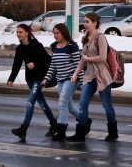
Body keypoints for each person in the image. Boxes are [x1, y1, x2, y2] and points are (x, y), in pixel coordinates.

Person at [69, 12, 119, 142]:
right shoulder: (85, 38)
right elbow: (82, 60)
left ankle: (113, 132)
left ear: (95, 23)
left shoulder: (100, 37)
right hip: (89, 76)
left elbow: (102, 57)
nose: (84, 24)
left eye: (87, 22)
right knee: (82, 104)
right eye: (84, 22)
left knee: (107, 106)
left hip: (102, 76)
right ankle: (81, 133)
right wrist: (75, 74)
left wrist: (88, 58)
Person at [7, 23, 57, 142]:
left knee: (30, 102)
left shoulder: (37, 46)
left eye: (20, 32)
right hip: (30, 80)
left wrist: (35, 63)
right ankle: (54, 124)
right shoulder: (20, 49)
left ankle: (23, 129)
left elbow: (48, 61)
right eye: (17, 32)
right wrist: (11, 79)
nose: (18, 34)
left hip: (39, 79)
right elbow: (17, 65)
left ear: (27, 33)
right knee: (42, 103)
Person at [41, 23, 84, 141]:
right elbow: (53, 66)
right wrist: (46, 79)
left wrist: (81, 81)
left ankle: (61, 132)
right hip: (60, 79)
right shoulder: (54, 46)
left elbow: (78, 65)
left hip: (71, 79)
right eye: (54, 33)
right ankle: (84, 121)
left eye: (57, 33)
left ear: (64, 33)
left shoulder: (72, 46)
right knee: (69, 106)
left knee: (62, 103)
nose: (55, 35)